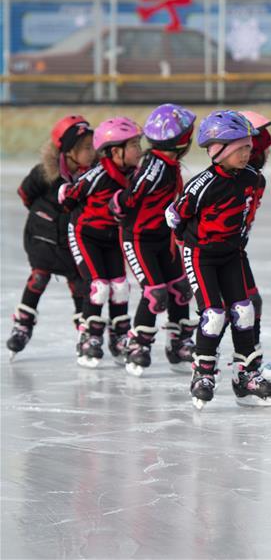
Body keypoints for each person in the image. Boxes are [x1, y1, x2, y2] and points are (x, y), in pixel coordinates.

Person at [167, 110, 271, 409]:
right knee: (214, 315)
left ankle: (246, 374)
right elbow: (175, 216)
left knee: (244, 311)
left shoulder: (253, 179)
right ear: (219, 150)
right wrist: (188, 242)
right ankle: (203, 373)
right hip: (201, 254)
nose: (248, 153)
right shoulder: (202, 185)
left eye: (248, 147)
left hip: (232, 254)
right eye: (241, 148)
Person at [110, 104, 197, 376]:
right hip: (138, 239)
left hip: (164, 239)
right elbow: (131, 196)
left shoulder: (168, 164)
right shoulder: (156, 165)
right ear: (181, 140)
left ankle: (178, 343)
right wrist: (119, 206)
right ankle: (139, 345)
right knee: (154, 293)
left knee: (180, 288)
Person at [7, 116, 94, 360]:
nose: (92, 152)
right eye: (86, 148)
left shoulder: (94, 176)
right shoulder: (45, 174)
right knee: (38, 278)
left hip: (74, 243)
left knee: (80, 285)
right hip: (43, 239)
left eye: (92, 146)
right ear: (68, 152)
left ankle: (86, 332)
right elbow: (25, 193)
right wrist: (44, 216)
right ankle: (22, 325)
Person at [61, 117, 143, 368]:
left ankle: (118, 337)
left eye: (139, 144)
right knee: (99, 287)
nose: (139, 150)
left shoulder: (137, 174)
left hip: (113, 237)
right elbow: (68, 196)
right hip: (86, 235)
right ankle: (89, 337)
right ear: (115, 151)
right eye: (134, 145)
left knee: (120, 286)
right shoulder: (97, 175)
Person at [236, 110, 271, 387]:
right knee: (224, 310)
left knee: (250, 304)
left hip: (234, 252)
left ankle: (249, 360)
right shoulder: (233, 179)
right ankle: (240, 365)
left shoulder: (254, 179)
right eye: (263, 149)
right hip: (209, 254)